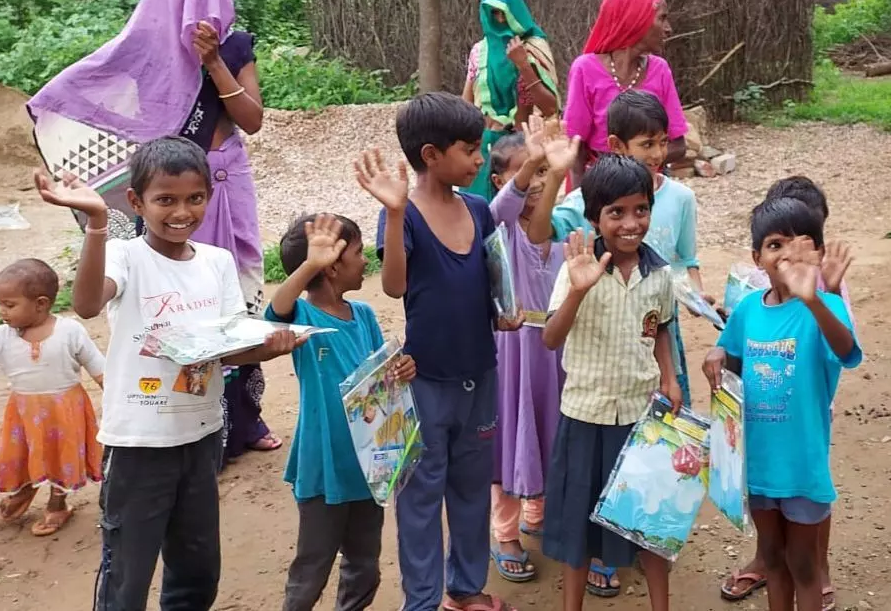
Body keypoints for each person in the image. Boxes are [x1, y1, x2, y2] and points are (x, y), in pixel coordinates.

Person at [26, 0, 278, 465]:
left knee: (240, 293)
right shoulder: (146, 51)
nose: (191, 4)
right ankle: (194, 417)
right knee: (181, 296)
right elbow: (127, 117)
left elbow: (250, 119)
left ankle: (244, 420)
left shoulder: (234, 46)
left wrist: (212, 63)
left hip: (226, 181)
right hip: (174, 191)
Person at [34, 136, 300, 611]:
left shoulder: (217, 263)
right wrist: (97, 224)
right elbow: (87, 304)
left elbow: (226, 349)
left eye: (194, 198)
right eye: (165, 200)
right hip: (140, 443)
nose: (182, 211)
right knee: (127, 577)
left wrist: (269, 347)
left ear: (208, 197)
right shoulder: (126, 256)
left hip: (201, 436)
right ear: (137, 202)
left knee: (197, 570)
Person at [357, 92, 525, 611]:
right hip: (425, 381)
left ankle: (466, 589)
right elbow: (393, 286)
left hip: (481, 374)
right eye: (471, 149)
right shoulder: (405, 217)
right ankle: (423, 600)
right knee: (421, 497)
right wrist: (392, 212)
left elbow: (495, 284)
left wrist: (506, 310)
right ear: (431, 155)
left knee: (473, 489)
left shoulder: (479, 210)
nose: (479, 160)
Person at [540, 90, 705, 596]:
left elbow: (664, 327)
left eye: (640, 211)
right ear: (594, 217)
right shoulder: (577, 270)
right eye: (615, 213)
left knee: (650, 528)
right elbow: (550, 338)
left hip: (641, 415)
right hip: (585, 413)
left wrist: (673, 378)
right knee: (577, 534)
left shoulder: (659, 274)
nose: (630, 223)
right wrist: (579, 291)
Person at [702, 197, 862, 611]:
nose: (788, 254)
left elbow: (846, 351)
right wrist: (717, 356)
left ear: (819, 253)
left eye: (799, 243)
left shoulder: (826, 308)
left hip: (801, 466)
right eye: (775, 245)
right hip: (759, 464)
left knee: (804, 563)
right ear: (757, 258)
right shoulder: (749, 309)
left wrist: (813, 299)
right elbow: (731, 355)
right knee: (773, 558)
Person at [266, 212, 417, 611]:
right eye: (356, 251)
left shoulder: (365, 315)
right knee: (312, 565)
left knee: (364, 564)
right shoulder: (304, 320)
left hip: (369, 464)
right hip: (324, 464)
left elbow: (384, 376)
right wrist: (309, 265)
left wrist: (403, 368)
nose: (365, 258)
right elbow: (275, 311)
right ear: (332, 267)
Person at [483, 117, 581, 583]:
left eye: (542, 174)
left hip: (554, 349)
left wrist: (556, 173)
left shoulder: (561, 226)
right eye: (527, 173)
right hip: (512, 350)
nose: (537, 183)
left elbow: (540, 231)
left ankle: (537, 512)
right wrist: (543, 168)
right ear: (502, 180)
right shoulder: (495, 225)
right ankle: (504, 530)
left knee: (550, 428)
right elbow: (513, 212)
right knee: (509, 436)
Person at [0, 259, 104, 537]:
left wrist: (119, 398)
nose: (1, 312)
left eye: (9, 305)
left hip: (66, 410)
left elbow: (99, 368)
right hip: (22, 412)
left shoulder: (70, 331)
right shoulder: (0, 337)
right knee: (20, 454)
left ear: (41, 304)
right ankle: (24, 490)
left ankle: (58, 504)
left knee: (62, 457)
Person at [564, 0, 688, 189]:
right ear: (636, 20)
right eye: (662, 18)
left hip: (648, 185)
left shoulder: (660, 70)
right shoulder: (585, 69)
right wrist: (579, 203)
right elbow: (576, 148)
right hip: (601, 185)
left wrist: (635, 163)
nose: (668, 29)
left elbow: (678, 145)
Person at [461, 0, 561, 199]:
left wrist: (523, 66)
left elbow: (551, 106)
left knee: (518, 205)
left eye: (504, 13)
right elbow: (467, 101)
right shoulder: (480, 50)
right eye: (493, 13)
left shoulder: (534, 47)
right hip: (484, 139)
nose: (499, 20)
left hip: (521, 143)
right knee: (476, 206)